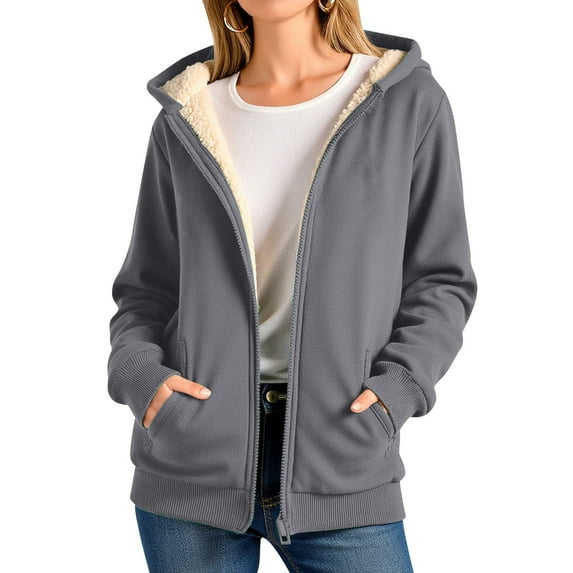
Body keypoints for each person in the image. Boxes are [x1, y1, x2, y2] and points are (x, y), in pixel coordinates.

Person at [107, 0, 478, 571]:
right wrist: (139, 375)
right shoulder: (188, 114)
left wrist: (398, 389)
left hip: (341, 451)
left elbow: (440, 279)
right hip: (190, 458)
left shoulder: (406, 101)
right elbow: (147, 286)